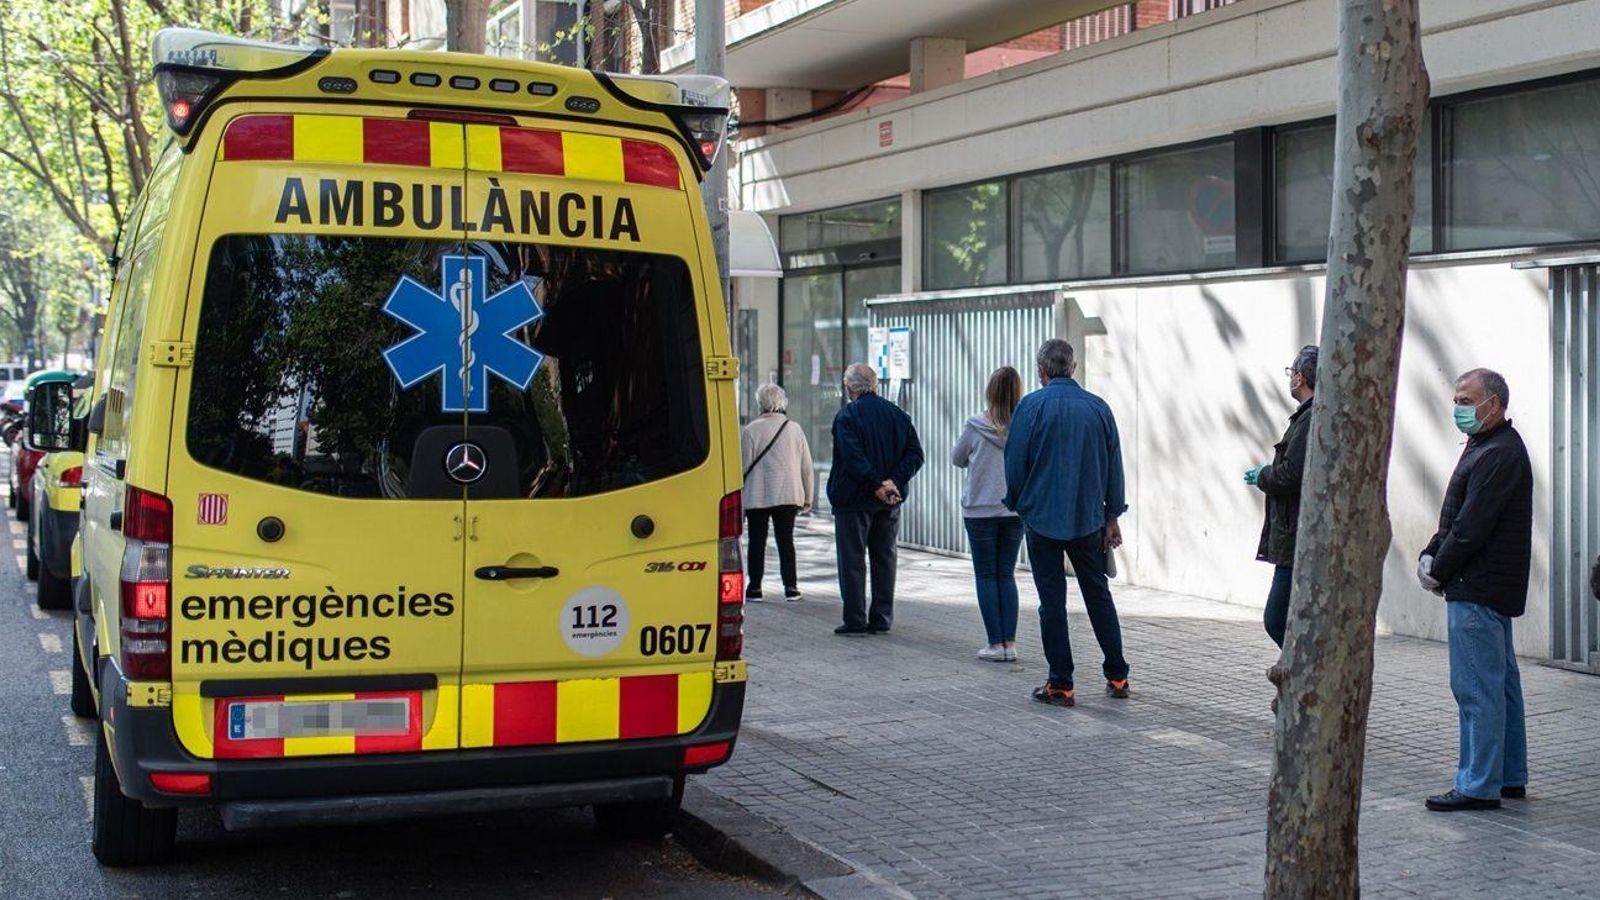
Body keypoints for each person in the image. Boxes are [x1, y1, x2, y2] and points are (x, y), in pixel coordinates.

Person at [1418, 368, 1532, 812]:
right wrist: (1432, 549)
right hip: (1485, 584)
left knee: (1475, 688)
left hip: (1477, 586)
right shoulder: (1488, 446)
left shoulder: (1498, 452)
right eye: (1456, 399)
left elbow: (1470, 527)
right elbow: (1456, 515)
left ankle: (1478, 784)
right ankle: (1508, 776)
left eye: (1467, 400)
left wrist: (1438, 569)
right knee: (1499, 686)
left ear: (1494, 404)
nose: (1458, 408)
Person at [1004, 339, 1129, 707]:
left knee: (1052, 602)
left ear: (1042, 371)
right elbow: (1114, 466)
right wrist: (1112, 516)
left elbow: (1014, 465)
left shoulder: (1029, 407)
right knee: (1098, 595)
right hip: (1088, 519)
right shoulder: (1098, 408)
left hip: (1041, 519)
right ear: (1072, 368)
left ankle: (1061, 683)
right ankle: (1118, 675)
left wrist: (1019, 503)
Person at [827, 363, 924, 636]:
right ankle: (881, 617)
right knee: (885, 557)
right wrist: (892, 481)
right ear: (875, 385)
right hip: (889, 501)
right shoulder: (898, 415)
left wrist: (876, 483)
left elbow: (852, 456)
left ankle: (855, 618)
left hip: (853, 500)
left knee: (852, 559)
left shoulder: (847, 416)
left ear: (848, 387)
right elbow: (916, 455)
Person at [951, 366, 1024, 662]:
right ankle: (1010, 643)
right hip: (1014, 509)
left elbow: (957, 458)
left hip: (979, 510)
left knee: (985, 574)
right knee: (1006, 575)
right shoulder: (1023, 425)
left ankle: (995, 644)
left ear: (990, 392)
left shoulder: (975, 424)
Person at [1246, 345, 1317, 647]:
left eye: (1291, 372)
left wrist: (1263, 475)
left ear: (1300, 377)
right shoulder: (1310, 417)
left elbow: (1291, 474)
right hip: (1297, 535)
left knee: (1276, 619)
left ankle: (1304, 679)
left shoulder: (1310, 419)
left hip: (1296, 538)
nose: (1290, 378)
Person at [742, 383, 814, 602]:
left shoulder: (751, 430)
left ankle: (755, 587)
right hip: (787, 494)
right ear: (783, 403)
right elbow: (806, 466)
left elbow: (742, 467)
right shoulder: (794, 429)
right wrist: (808, 496)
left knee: (756, 541)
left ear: (760, 403)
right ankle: (791, 587)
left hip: (757, 495)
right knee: (786, 540)